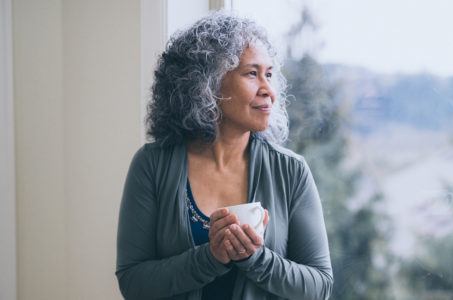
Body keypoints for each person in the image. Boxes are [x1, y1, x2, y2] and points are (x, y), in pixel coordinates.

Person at [116, 12, 333, 300]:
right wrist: (210, 258)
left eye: (269, 74)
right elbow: (133, 283)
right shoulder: (152, 165)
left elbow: (319, 286)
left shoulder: (291, 170)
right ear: (206, 84)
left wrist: (255, 258)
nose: (269, 90)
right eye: (252, 74)